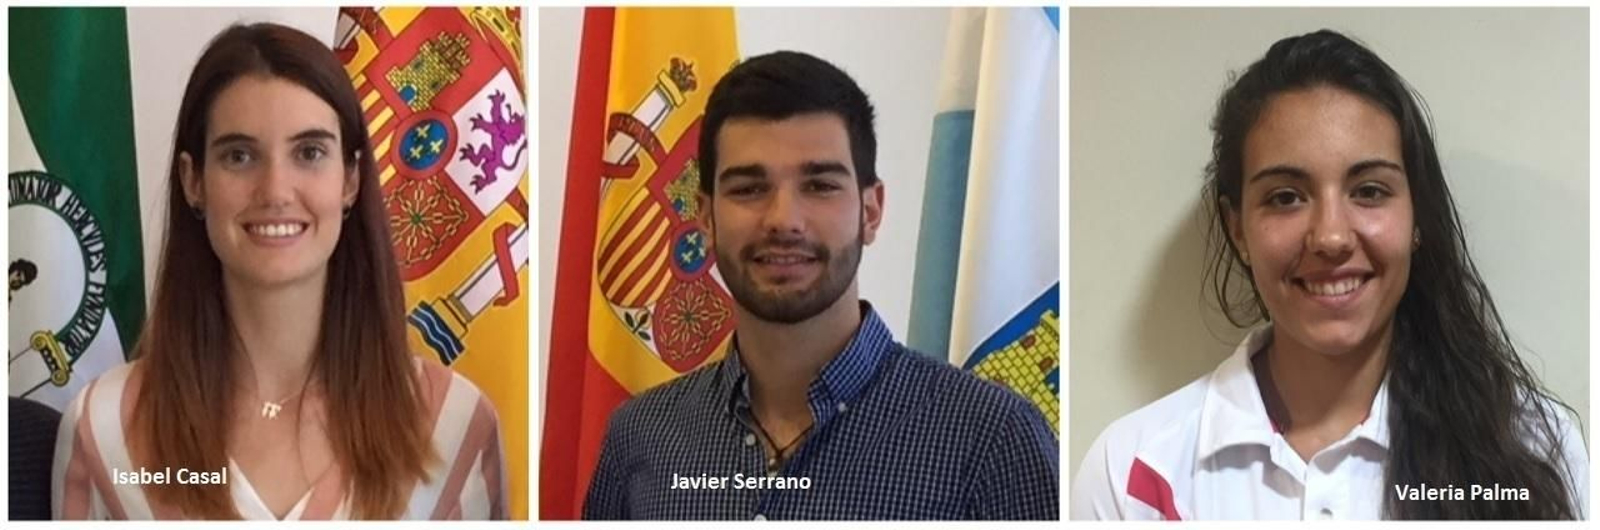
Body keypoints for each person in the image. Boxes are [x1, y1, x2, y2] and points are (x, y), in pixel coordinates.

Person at [1072, 30, 1588, 520]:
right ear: (1238, 231)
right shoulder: (1133, 472)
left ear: (1417, 219)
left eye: (1369, 190)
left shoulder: (1532, 447)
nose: (1332, 238)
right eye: (1286, 197)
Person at [51, 23, 506, 520]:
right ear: (193, 180)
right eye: (239, 156)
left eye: (309, 153)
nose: (275, 189)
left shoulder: (454, 425)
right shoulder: (105, 427)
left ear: (350, 179)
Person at [581, 51, 1058, 520]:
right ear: (705, 218)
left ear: (870, 212)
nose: (784, 220)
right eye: (749, 188)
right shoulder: (639, 438)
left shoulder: (993, 442)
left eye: (820, 186)